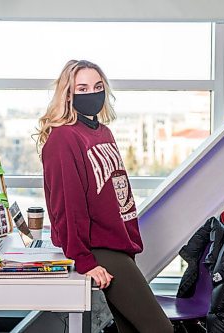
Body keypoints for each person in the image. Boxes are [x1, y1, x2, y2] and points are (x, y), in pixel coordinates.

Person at [36, 60, 173, 333]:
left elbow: (117, 192)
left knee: (133, 329)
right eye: (82, 88)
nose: (92, 94)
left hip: (119, 244)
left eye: (98, 87)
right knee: (160, 330)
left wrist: (130, 241)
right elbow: (67, 205)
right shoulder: (63, 139)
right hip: (97, 247)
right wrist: (83, 259)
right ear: (68, 94)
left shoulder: (103, 132)